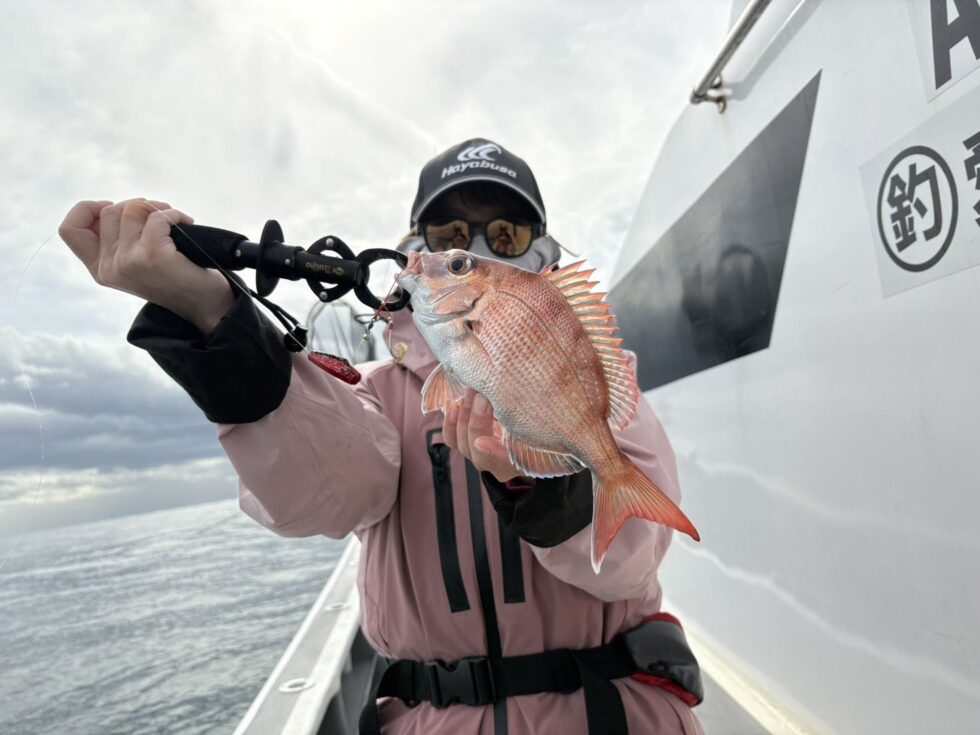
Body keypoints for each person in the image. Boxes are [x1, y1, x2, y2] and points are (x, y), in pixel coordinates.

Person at [59, 138, 704, 734]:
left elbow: (630, 564)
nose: (479, 248)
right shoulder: (373, 392)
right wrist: (215, 319)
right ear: (412, 250)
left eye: (506, 234)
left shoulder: (601, 377)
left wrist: (538, 484)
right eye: (451, 238)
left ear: (542, 254)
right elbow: (323, 494)